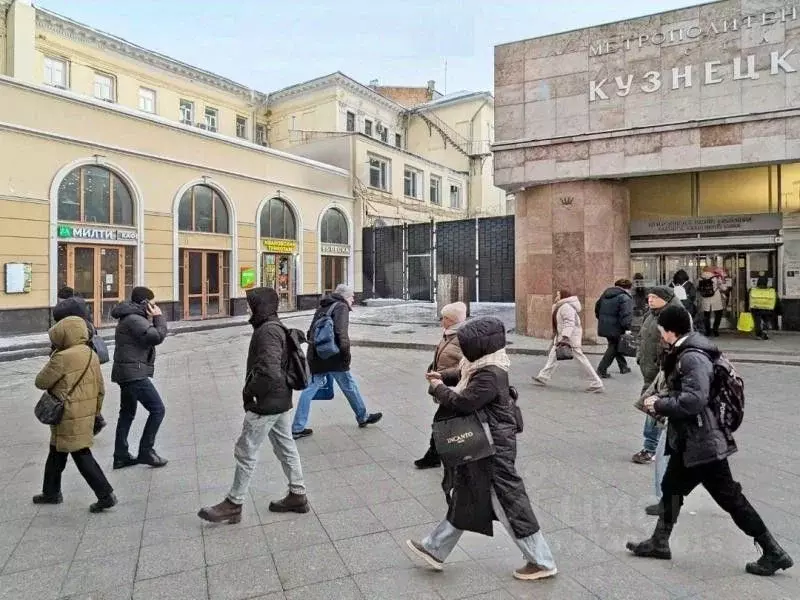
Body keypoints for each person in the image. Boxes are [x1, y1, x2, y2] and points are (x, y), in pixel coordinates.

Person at [627, 305, 793, 577]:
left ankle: (773, 551)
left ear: (670, 331)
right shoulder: (687, 350)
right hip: (691, 439)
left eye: (660, 330)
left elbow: (694, 399)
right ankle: (659, 542)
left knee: (730, 498)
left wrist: (661, 403)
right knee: (671, 487)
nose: (659, 335)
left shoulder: (691, 357)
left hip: (702, 441)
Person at [406, 316, 557, 581]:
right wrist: (442, 375)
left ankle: (542, 561)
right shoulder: (485, 363)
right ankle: (434, 548)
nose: (464, 351)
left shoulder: (491, 374)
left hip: (493, 450)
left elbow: (464, 402)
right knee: (466, 497)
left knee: (509, 503)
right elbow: (464, 371)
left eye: (466, 345)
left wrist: (439, 388)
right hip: (482, 444)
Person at [198, 287, 309, 523]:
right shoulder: (273, 326)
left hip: (266, 402)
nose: (249, 308)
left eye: (252, 304)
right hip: (279, 399)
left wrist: (251, 393)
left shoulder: (268, 331)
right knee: (286, 446)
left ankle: (234, 503)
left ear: (262, 306)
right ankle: (298, 494)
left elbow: (268, 370)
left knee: (245, 450)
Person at [33, 316, 117, 512]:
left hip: (66, 414)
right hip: (84, 412)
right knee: (56, 451)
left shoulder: (63, 357)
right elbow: (101, 389)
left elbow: (41, 382)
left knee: (80, 454)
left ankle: (105, 494)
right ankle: (51, 492)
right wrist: (95, 412)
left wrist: (53, 356)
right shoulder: (91, 353)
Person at [291, 284, 382, 439]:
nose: (353, 299)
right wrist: (345, 356)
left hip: (317, 354)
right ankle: (362, 416)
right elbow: (341, 333)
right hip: (334, 356)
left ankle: (297, 427)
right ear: (345, 296)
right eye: (352, 296)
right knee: (349, 385)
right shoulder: (341, 307)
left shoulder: (323, 306)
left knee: (310, 389)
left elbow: (310, 331)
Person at [110, 286, 169, 469]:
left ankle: (120, 455)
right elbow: (156, 336)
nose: (154, 306)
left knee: (127, 412)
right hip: (133, 373)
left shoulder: (131, 316)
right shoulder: (134, 319)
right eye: (152, 303)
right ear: (144, 303)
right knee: (158, 409)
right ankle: (146, 450)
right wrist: (159, 317)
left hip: (127, 371)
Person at [631, 286, 684, 465]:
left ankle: (650, 448)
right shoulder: (651, 314)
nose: (650, 300)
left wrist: (667, 366)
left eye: (654, 297)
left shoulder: (675, 316)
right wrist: (640, 356)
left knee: (654, 409)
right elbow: (642, 338)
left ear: (666, 299)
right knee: (662, 411)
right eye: (649, 297)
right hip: (651, 372)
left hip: (663, 374)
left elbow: (681, 344)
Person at [414, 302, 467, 469]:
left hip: (455, 388)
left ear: (451, 320)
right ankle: (437, 455)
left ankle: (434, 456)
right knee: (447, 422)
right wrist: (433, 368)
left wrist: (442, 375)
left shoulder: (461, 338)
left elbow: (464, 366)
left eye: (444, 317)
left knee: (441, 421)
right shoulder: (449, 334)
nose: (441, 320)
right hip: (446, 385)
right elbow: (442, 356)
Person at [53, 286, 107, 434]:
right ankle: (94, 420)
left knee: (75, 394)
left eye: (61, 301)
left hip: (77, 365)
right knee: (83, 394)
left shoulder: (75, 323)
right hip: (86, 363)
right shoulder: (82, 317)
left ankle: (94, 421)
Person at [533, 289, 603, 393]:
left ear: (563, 296)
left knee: (581, 360)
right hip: (562, 337)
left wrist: (565, 337)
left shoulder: (566, 307)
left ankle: (597, 383)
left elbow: (569, 323)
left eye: (557, 295)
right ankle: (543, 376)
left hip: (569, 339)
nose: (556, 297)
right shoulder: (560, 306)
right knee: (553, 356)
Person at [594, 278, 634, 378]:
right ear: (628, 288)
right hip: (617, 326)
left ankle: (623, 367)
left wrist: (602, 319)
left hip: (604, 325)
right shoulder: (624, 297)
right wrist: (627, 327)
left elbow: (597, 308)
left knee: (614, 345)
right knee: (614, 346)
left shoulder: (605, 295)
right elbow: (626, 314)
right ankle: (601, 369)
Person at [748, 275, 779, 341]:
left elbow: (749, 300)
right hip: (768, 309)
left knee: (757, 322)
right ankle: (765, 332)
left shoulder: (752, 290)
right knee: (767, 320)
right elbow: (776, 301)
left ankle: (758, 334)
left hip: (756, 309)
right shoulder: (771, 291)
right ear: (766, 282)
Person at [698, 269, 725, 337]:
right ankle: (715, 330)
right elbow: (723, 288)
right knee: (718, 314)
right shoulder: (716, 278)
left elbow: (698, 287)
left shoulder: (700, 278)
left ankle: (707, 331)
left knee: (706, 316)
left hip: (705, 299)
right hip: (716, 299)